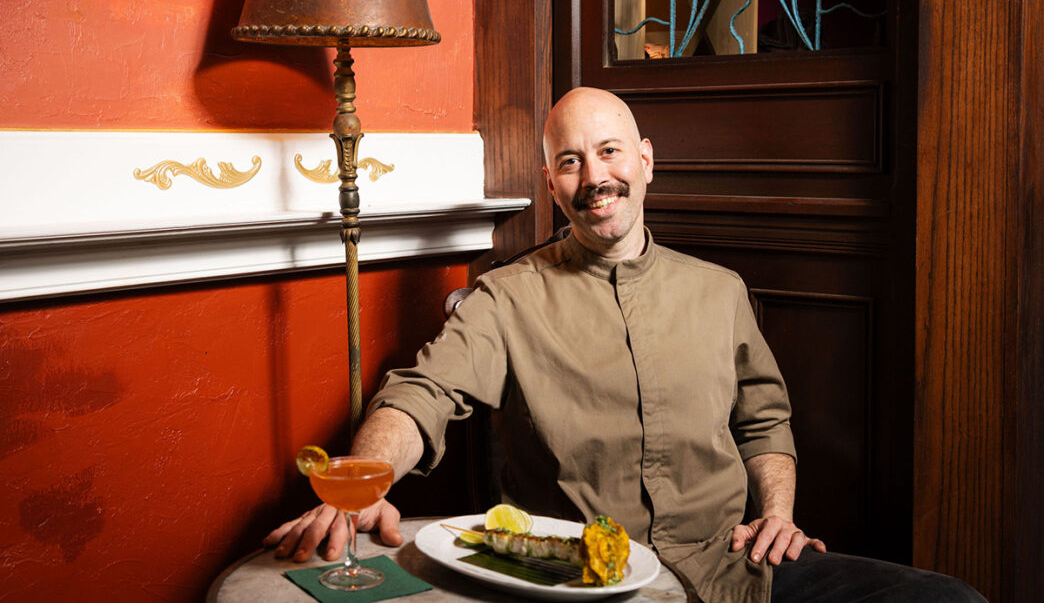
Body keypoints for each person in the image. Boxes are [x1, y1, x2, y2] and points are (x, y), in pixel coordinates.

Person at [265, 88, 986, 602]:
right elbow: (424, 393)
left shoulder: (720, 290)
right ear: (551, 183)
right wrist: (364, 478)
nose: (595, 176)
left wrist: (777, 514)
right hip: (585, 580)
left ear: (644, 159)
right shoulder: (506, 296)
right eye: (571, 161)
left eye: (609, 151)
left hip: (736, 569)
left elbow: (763, 421)